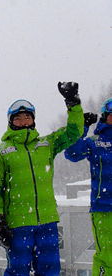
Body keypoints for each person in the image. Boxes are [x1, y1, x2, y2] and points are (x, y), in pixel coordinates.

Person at [0, 82, 84, 276]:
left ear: (33, 120)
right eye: (18, 118)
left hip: (47, 222)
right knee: (18, 270)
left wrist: (73, 103)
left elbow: (74, 132)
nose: (24, 121)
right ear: (11, 121)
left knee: (50, 270)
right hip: (17, 225)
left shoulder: (46, 144)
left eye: (27, 116)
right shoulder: (0, 151)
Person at [65, 98, 112, 275]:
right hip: (105, 209)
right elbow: (72, 153)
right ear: (105, 117)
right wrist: (83, 127)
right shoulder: (95, 142)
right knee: (108, 256)